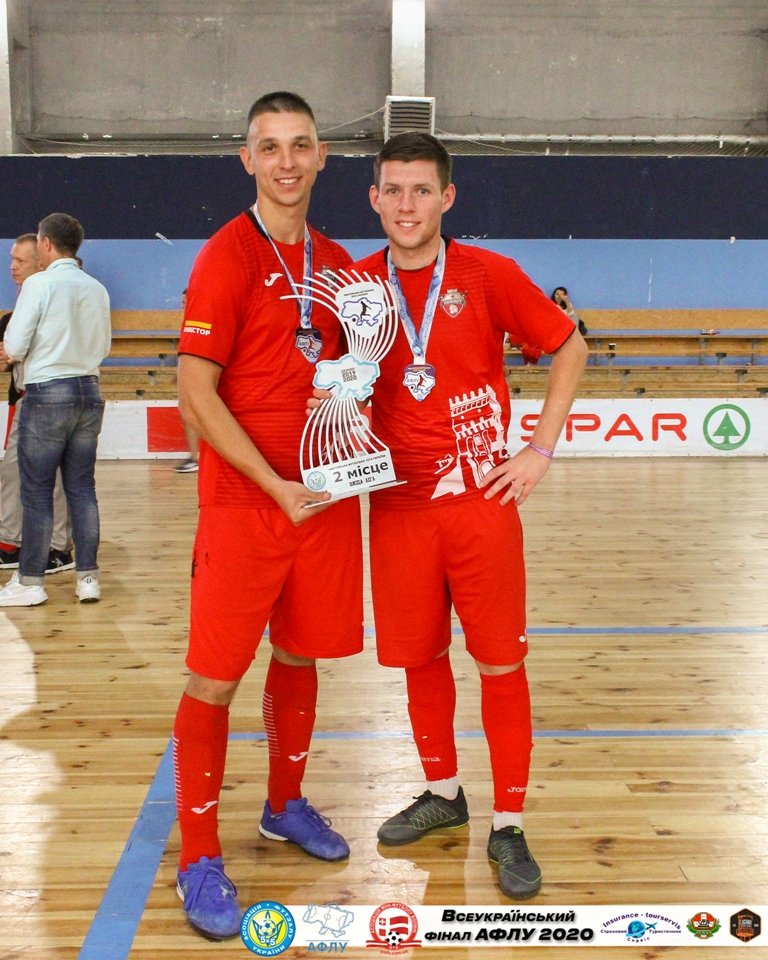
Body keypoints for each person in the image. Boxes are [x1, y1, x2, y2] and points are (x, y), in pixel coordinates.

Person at [347, 133, 587, 899]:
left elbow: (570, 346)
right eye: (393, 190)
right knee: (419, 658)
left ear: (447, 197)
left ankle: (508, 822)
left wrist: (539, 450)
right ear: (374, 198)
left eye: (422, 190)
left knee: (500, 664)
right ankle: (444, 791)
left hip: (482, 505)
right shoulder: (354, 287)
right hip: (396, 508)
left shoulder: (488, 274)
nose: (407, 204)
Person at [171, 91, 363, 941]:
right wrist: (273, 483)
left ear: (321, 157)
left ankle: (284, 804)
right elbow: (195, 392)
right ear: (247, 159)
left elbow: (351, 379)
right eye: (270, 146)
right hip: (246, 506)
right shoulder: (226, 256)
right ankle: (198, 857)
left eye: (301, 145)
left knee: (300, 652)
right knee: (214, 678)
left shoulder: (340, 263)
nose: (287, 161)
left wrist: (359, 433)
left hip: (320, 502)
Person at [0, 213, 111, 607]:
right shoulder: (97, 288)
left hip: (47, 392)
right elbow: (104, 346)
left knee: (36, 492)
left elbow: (14, 345)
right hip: (89, 390)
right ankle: (88, 579)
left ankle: (30, 581)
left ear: (45, 243)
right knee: (82, 489)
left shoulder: (39, 284)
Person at [0, 233, 74, 574]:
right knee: (12, 471)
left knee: (55, 475)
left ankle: (58, 548)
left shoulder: (58, 304)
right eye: (11, 260)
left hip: (54, 398)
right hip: (26, 401)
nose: (12, 267)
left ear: (40, 263)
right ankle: (10, 542)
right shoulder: (15, 313)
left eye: (20, 261)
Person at [173, 288, 200, 474]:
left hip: (201, 377)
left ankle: (197, 457)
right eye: (182, 303)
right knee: (188, 413)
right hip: (192, 374)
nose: (183, 306)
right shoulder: (187, 322)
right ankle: (195, 456)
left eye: (186, 302)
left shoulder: (199, 322)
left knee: (191, 413)